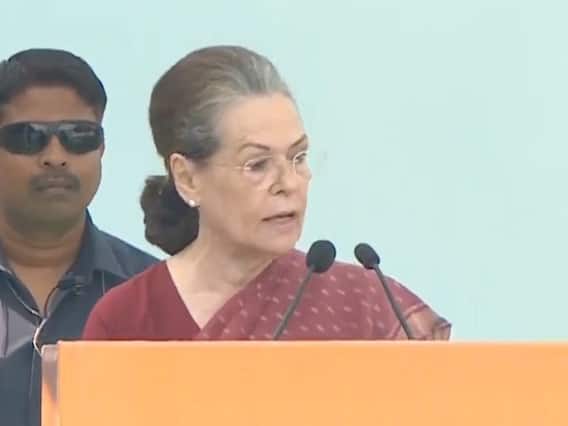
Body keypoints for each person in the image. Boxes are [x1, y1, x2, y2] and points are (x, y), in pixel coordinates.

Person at [83, 45, 450, 342]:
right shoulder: (126, 319)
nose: (288, 183)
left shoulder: (363, 304)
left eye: (298, 157)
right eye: (257, 164)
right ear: (188, 178)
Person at [0, 48, 158, 425]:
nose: (55, 156)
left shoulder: (155, 296)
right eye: (29, 137)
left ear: (102, 148)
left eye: (79, 136)